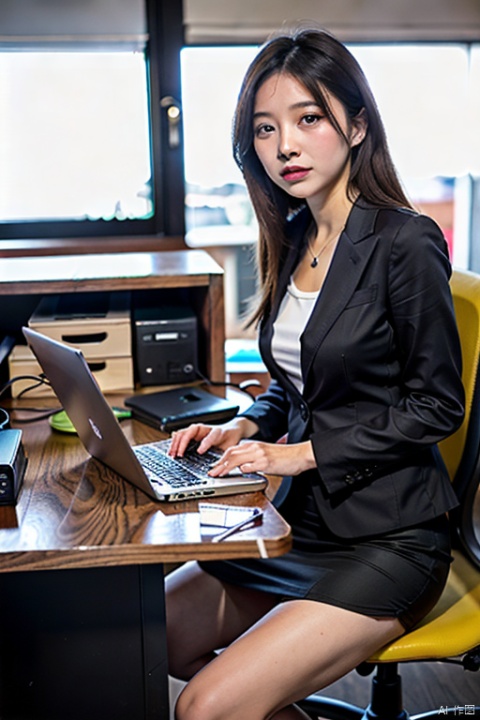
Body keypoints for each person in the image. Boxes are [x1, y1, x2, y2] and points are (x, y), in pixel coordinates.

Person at [165, 26, 465, 720]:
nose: (285, 146)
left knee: (205, 708)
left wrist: (299, 453)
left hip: (389, 538)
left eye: (309, 119)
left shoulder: (404, 242)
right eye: (265, 129)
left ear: (358, 125)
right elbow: (298, 389)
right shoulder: (297, 237)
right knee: (161, 634)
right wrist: (244, 422)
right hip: (302, 524)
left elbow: (435, 406)